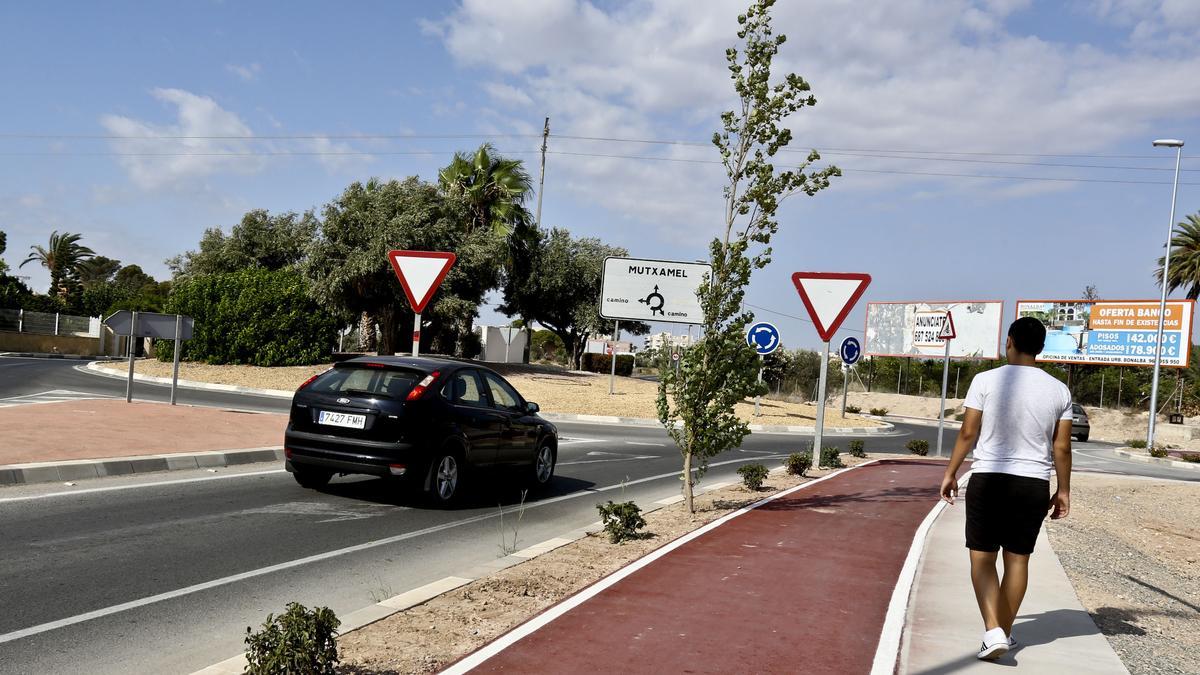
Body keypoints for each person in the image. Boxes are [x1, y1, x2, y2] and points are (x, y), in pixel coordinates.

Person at [939, 316, 1073, 661]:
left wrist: (951, 473)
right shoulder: (1059, 390)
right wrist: (1063, 490)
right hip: (1033, 483)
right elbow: (1062, 447)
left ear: (1009, 341)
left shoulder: (984, 380)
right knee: (1018, 560)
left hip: (989, 479)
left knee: (983, 559)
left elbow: (968, 433)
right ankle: (1004, 634)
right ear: (1042, 348)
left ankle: (994, 631)